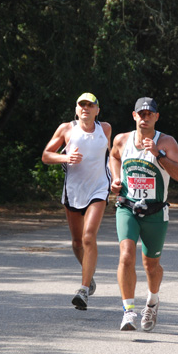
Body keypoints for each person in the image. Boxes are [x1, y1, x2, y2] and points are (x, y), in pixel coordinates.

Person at [109, 97, 178, 331]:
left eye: (149, 114)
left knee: (151, 265)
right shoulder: (122, 140)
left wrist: (159, 155)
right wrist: (115, 178)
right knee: (126, 255)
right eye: (140, 114)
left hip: (155, 212)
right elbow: (113, 156)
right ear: (134, 116)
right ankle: (128, 312)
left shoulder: (167, 142)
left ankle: (152, 301)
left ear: (156, 117)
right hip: (127, 207)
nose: (144, 117)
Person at [41, 93, 111, 311]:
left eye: (90, 106)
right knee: (77, 242)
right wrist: (65, 158)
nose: (86, 109)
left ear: (97, 110)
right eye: (82, 105)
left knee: (89, 237)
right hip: (73, 190)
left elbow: (112, 155)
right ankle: (89, 276)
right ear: (76, 108)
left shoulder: (105, 129)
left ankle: (83, 289)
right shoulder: (66, 129)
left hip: (99, 188)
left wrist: (117, 178)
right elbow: (46, 155)